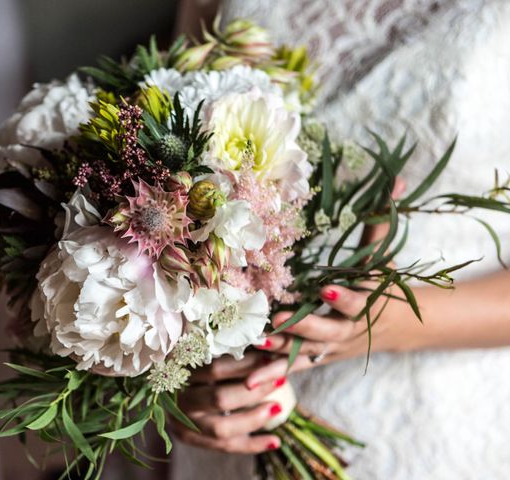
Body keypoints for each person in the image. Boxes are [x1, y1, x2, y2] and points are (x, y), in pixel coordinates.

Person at [171, 1, 510, 478]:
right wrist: (174, 370)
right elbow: (172, 148)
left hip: (421, 418)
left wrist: (397, 321)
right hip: (232, 407)